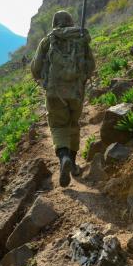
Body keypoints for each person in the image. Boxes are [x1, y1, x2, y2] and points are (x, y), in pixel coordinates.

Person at [31, 10, 95, 187]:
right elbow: (91, 65)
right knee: (73, 125)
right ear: (70, 21)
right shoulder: (80, 37)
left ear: (54, 22)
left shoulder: (48, 40)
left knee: (59, 126)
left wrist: (41, 76)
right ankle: (73, 164)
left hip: (54, 93)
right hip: (76, 92)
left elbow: (36, 68)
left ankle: (64, 157)